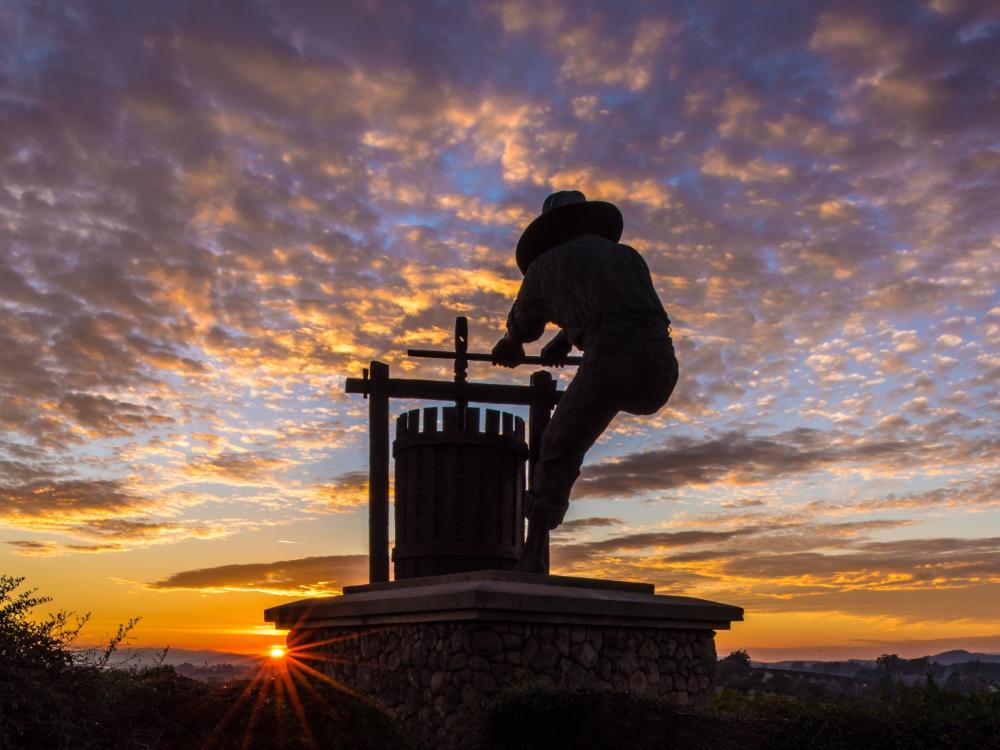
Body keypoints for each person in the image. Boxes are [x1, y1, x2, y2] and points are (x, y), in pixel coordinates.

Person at [492, 190, 678, 573]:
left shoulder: (545, 266)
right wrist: (566, 339)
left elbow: (525, 326)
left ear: (550, 230)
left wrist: (509, 345)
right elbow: (620, 306)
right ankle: (537, 545)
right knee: (569, 431)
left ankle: (533, 552)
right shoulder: (628, 257)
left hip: (611, 361)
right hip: (661, 365)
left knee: (556, 445)